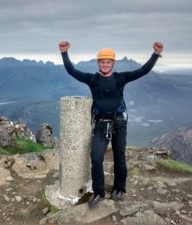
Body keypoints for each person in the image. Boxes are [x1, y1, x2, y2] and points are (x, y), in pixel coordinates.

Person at [59, 41, 164, 208]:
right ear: (98, 63)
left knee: (119, 157)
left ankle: (119, 189)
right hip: (101, 124)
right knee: (96, 157)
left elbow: (143, 71)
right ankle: (98, 192)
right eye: (102, 62)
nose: (105, 64)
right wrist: (64, 53)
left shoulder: (120, 78)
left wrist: (156, 54)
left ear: (112, 63)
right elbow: (72, 71)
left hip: (119, 123)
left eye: (108, 62)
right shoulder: (93, 79)